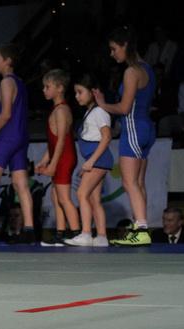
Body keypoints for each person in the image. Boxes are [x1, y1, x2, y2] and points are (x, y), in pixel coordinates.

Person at [94, 26, 156, 246]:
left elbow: (124, 108)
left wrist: (102, 104)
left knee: (129, 183)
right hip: (146, 128)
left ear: (125, 45)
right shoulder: (147, 68)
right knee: (138, 182)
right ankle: (140, 226)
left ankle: (142, 230)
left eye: (114, 49)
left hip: (134, 129)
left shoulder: (131, 72)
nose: (112, 54)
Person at [0, 44, 35, 244]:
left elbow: (5, 115)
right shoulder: (20, 83)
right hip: (21, 136)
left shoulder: (6, 83)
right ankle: (29, 230)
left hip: (8, 137)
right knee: (21, 184)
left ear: (8, 61)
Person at [64, 74, 113, 247]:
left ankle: (85, 233)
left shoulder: (99, 112)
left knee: (81, 194)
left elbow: (107, 137)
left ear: (92, 92)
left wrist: (91, 161)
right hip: (96, 160)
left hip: (98, 160)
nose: (77, 96)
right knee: (93, 199)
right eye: (75, 93)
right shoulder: (90, 112)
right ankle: (101, 237)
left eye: (80, 92)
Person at [35, 69, 79, 244]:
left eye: (48, 87)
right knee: (55, 196)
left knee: (64, 198)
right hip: (60, 157)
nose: (44, 90)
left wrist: (53, 164)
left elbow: (61, 140)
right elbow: (53, 142)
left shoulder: (61, 111)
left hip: (64, 158)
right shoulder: (57, 109)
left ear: (60, 88)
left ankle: (76, 233)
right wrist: (44, 160)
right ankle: (60, 233)